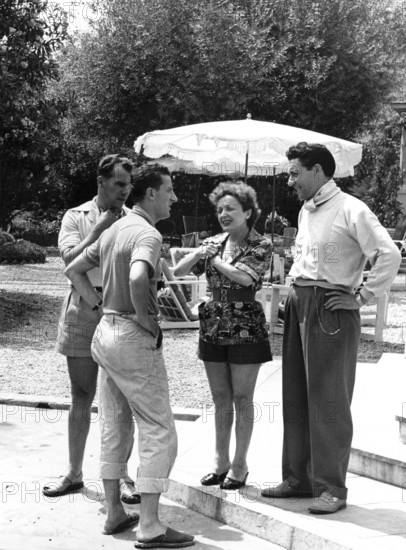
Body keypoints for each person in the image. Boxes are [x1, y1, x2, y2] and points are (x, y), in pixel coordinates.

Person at [261, 143, 401, 513]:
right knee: (295, 394)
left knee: (328, 401)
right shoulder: (308, 210)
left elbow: (389, 253)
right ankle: (298, 478)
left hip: (330, 307)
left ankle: (332, 489)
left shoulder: (353, 208)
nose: (290, 181)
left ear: (319, 171)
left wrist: (363, 295)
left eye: (295, 173)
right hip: (299, 301)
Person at [64, 164, 195, 547]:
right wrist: (148, 319)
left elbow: (74, 268)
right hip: (131, 336)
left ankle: (115, 513)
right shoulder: (146, 233)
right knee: (159, 427)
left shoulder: (115, 228)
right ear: (150, 194)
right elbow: (140, 277)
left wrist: (96, 302)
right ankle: (151, 526)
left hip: (104, 331)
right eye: (169, 190)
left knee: (115, 422)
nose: (173, 198)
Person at [43, 154, 139, 504]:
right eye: (119, 184)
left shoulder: (134, 220)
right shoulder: (76, 216)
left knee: (123, 400)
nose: (126, 191)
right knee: (81, 396)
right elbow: (70, 263)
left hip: (119, 308)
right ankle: (74, 473)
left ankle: (123, 476)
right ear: (101, 182)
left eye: (129, 185)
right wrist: (99, 229)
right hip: (83, 310)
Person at [174, 181, 273, 490]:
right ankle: (220, 461)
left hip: (245, 325)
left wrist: (214, 259)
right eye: (219, 209)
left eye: (230, 208)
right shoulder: (214, 241)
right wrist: (196, 254)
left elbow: (245, 278)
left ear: (247, 211)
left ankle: (240, 464)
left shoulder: (261, 244)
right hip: (214, 323)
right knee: (220, 398)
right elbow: (177, 272)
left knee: (242, 398)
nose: (223, 214)